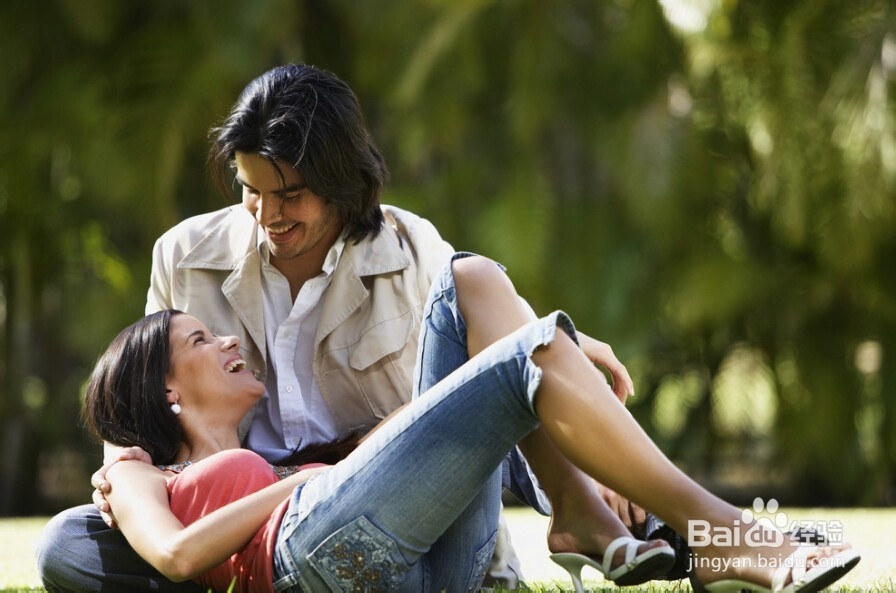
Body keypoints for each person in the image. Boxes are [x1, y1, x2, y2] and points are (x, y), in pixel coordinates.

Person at [36, 63, 675, 590]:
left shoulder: (409, 248)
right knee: (69, 541)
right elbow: (144, 396)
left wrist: (559, 359)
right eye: (251, 190)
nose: (268, 216)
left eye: (291, 196)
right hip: (268, 528)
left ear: (341, 182)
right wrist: (125, 476)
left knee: (478, 292)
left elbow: (478, 347)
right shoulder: (183, 256)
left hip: (404, 503)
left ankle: (623, 515)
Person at [81, 254, 858, 592]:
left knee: (471, 282)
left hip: (423, 571)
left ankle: (584, 517)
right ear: (168, 392)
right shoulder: (138, 472)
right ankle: (727, 538)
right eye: (196, 340)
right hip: (301, 553)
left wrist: (311, 475)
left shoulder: (281, 462)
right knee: (536, 351)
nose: (223, 339)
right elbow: (179, 555)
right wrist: (297, 488)